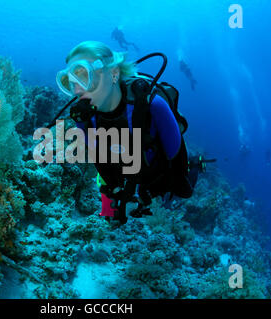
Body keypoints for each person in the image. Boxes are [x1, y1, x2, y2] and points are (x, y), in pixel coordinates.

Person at [55, 41, 213, 224]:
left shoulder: (153, 105)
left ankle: (196, 164)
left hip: (159, 172)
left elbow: (175, 155)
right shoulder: (84, 118)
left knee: (184, 191)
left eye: (83, 76)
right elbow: (100, 162)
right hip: (125, 170)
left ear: (113, 73)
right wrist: (113, 201)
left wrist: (149, 192)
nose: (76, 90)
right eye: (69, 82)